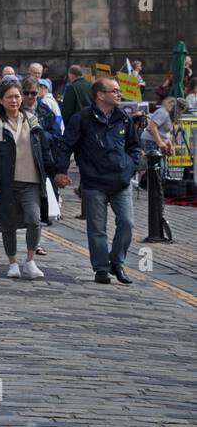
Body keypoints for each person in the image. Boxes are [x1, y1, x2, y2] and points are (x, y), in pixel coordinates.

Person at [55, 77, 141, 285]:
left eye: (119, 91)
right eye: (115, 91)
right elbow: (66, 146)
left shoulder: (123, 118)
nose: (119, 94)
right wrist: (60, 171)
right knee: (97, 228)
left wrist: (130, 167)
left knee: (127, 223)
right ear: (100, 95)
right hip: (94, 182)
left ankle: (116, 262)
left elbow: (134, 146)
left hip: (121, 181)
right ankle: (101, 268)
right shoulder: (82, 119)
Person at [0, 80, 59, 280]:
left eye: (17, 96)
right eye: (9, 97)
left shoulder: (31, 119)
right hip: (6, 182)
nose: (14, 100)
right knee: (9, 224)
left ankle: (30, 261)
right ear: (1, 100)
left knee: (34, 220)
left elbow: (43, 148)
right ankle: (12, 262)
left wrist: (56, 173)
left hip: (31, 181)